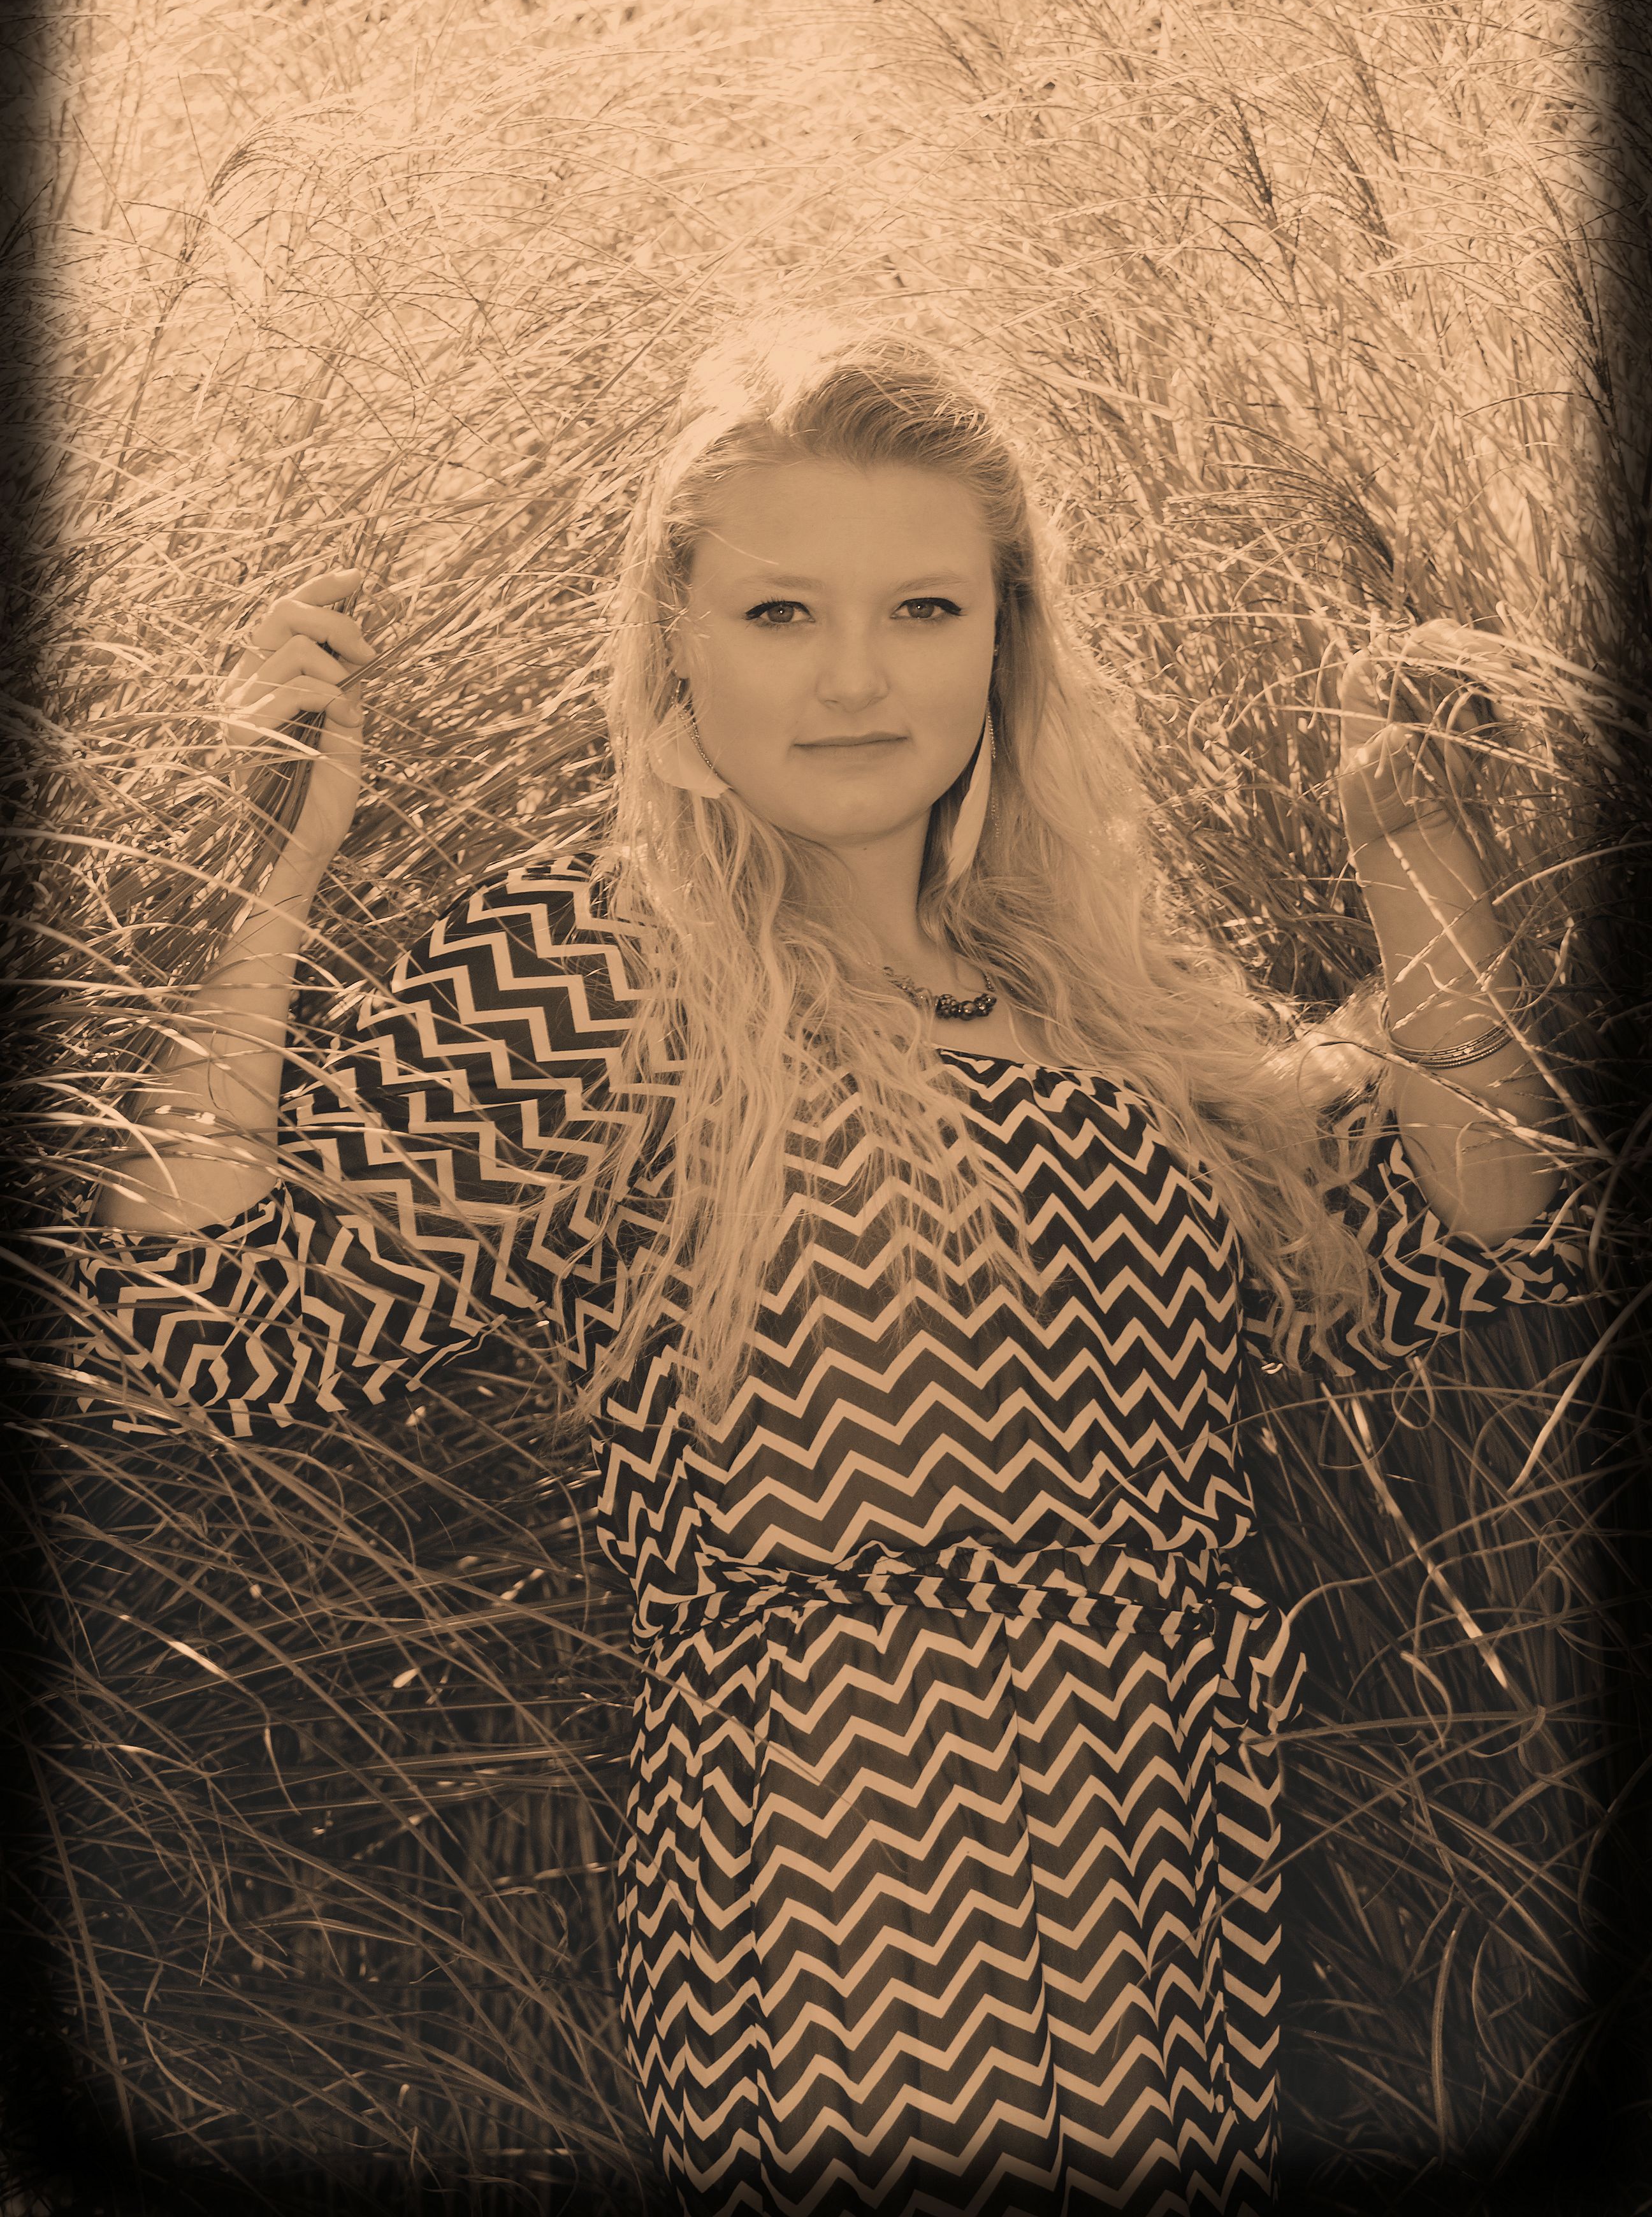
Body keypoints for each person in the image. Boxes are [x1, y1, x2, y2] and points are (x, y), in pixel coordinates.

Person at [76, 320, 1591, 2217]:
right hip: (846, 1865)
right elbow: (219, 1322)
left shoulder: (1097, 986)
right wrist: (261, 883)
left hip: (1172, 1847)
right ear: (676, 643)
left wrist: (1417, 858)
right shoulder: (602, 970)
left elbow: (1471, 1230)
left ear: (1005, 639)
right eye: (782, 613)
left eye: (924, 610)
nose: (859, 678)